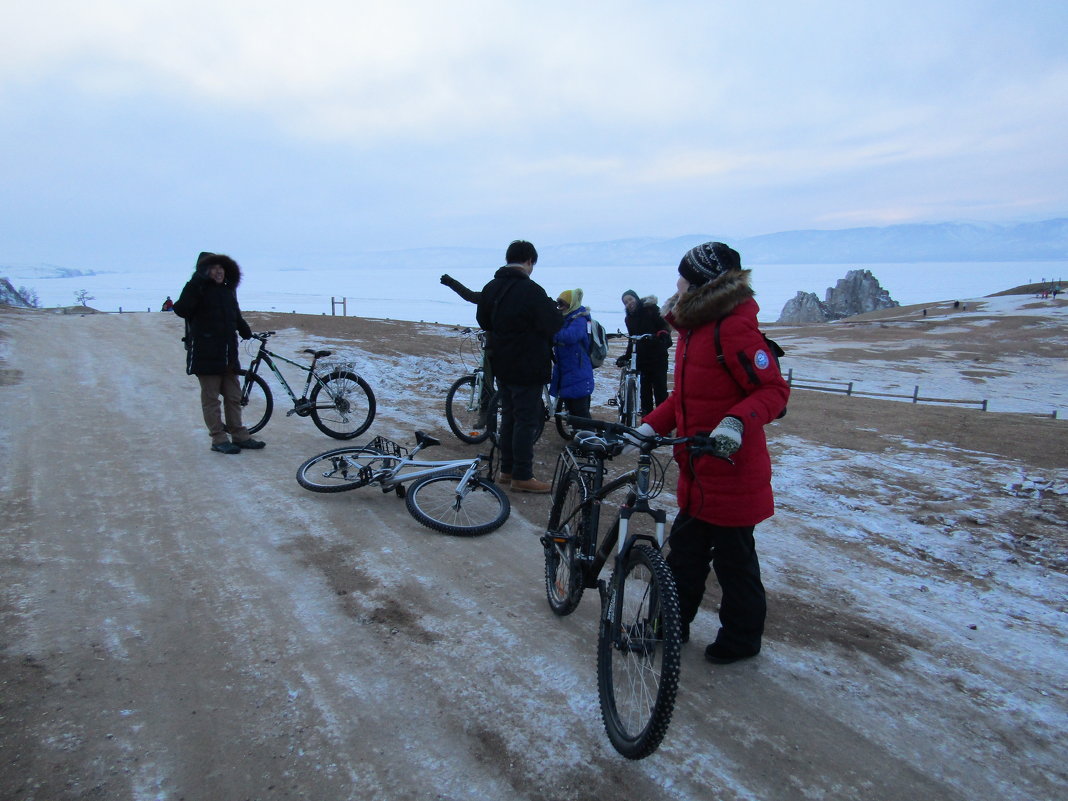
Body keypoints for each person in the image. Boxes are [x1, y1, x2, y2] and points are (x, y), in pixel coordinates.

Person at [637, 242, 789, 664]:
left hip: (733, 472)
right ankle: (667, 625)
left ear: (703, 284)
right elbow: (685, 399)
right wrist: (649, 426)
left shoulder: (732, 329)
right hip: (699, 471)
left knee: (735, 564)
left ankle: (742, 640)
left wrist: (736, 423)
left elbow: (774, 391)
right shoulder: (694, 330)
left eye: (684, 278)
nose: (677, 285)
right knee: (684, 559)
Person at [475, 240, 562, 493]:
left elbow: (482, 319)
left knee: (510, 416)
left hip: (501, 362)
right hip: (528, 365)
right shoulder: (531, 290)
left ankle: (507, 470)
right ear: (529, 261)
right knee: (525, 420)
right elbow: (553, 324)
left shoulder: (492, 287)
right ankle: (522, 475)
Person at [173, 252, 266, 455]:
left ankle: (240, 436)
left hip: (228, 355)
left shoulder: (227, 291)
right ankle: (218, 439)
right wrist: (196, 282)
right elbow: (181, 309)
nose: (218, 272)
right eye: (213, 268)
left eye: (221, 268)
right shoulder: (196, 289)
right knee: (212, 400)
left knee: (233, 397)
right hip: (205, 354)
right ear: (203, 272)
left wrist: (244, 330)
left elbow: (235, 315)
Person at [617, 289, 672, 417]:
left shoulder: (651, 309)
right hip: (641, 358)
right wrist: (627, 356)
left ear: (636, 298)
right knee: (644, 392)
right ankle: (648, 420)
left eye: (630, 299)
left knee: (660, 391)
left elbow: (664, 326)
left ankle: (663, 421)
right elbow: (632, 339)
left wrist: (662, 335)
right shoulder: (628, 319)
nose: (629, 303)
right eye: (625, 302)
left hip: (658, 356)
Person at [550, 289, 595, 420]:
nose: (560, 307)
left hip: (578, 369)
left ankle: (588, 436)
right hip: (568, 369)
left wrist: (551, 332)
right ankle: (577, 433)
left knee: (580, 409)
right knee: (571, 407)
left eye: (563, 304)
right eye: (559, 304)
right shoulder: (566, 318)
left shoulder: (580, 319)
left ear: (571, 304)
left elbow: (571, 336)